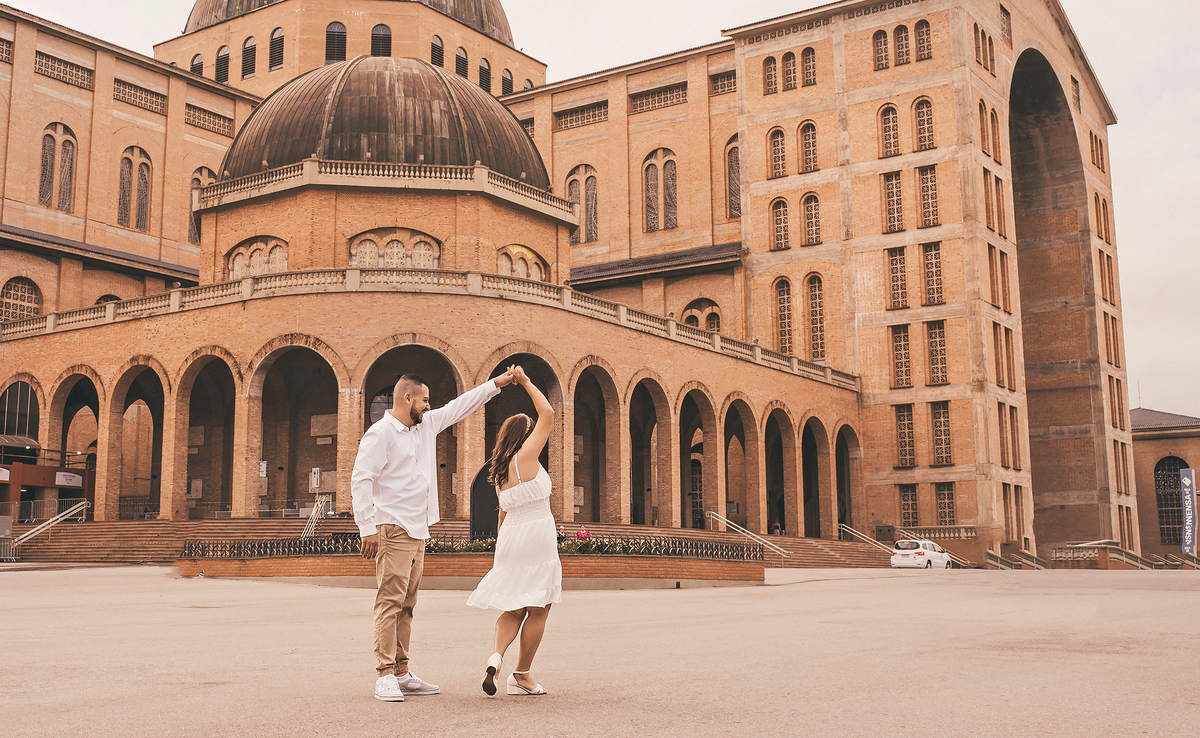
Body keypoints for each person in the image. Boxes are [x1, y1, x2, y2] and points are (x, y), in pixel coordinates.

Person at [352, 368, 516, 702]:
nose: (429, 406)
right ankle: (384, 674)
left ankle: (401, 671)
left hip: (418, 529)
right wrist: (367, 527)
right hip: (393, 526)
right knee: (389, 601)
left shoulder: (425, 426)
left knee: (407, 604)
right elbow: (361, 479)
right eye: (424, 400)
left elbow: (460, 406)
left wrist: (496, 384)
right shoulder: (380, 433)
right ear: (407, 398)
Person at [466, 366, 561, 696]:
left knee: (513, 608)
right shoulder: (527, 456)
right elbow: (548, 413)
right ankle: (521, 675)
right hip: (537, 535)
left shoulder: (499, 471)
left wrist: (500, 555)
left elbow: (502, 515)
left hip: (510, 539)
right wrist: (526, 381)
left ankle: (496, 657)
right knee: (539, 607)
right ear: (525, 435)